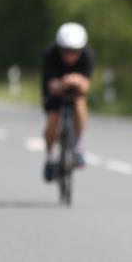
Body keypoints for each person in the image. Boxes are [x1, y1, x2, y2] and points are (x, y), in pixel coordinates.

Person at [41, 22, 93, 182]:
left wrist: (77, 82)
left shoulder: (88, 55)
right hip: (55, 88)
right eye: (66, 51)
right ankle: (50, 157)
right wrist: (63, 83)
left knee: (80, 104)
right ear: (60, 48)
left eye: (75, 51)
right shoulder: (50, 54)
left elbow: (86, 85)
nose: (71, 55)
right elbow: (51, 86)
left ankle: (77, 146)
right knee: (53, 121)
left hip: (76, 90)